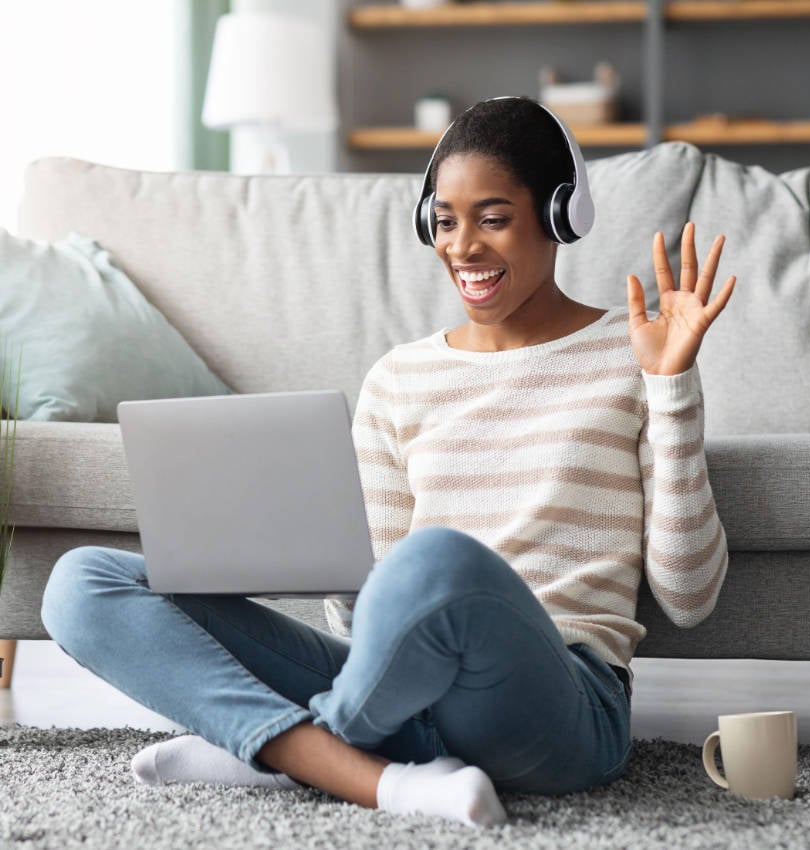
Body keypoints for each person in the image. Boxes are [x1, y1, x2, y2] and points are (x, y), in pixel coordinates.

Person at [41, 96, 735, 829]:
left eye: (492, 218)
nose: (462, 246)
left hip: (562, 709)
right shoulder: (398, 379)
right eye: (444, 221)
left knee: (439, 560)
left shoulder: (632, 358)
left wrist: (671, 385)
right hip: (403, 705)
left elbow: (689, 597)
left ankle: (287, 752)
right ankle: (383, 779)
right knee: (81, 583)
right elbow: (365, 611)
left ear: (559, 216)